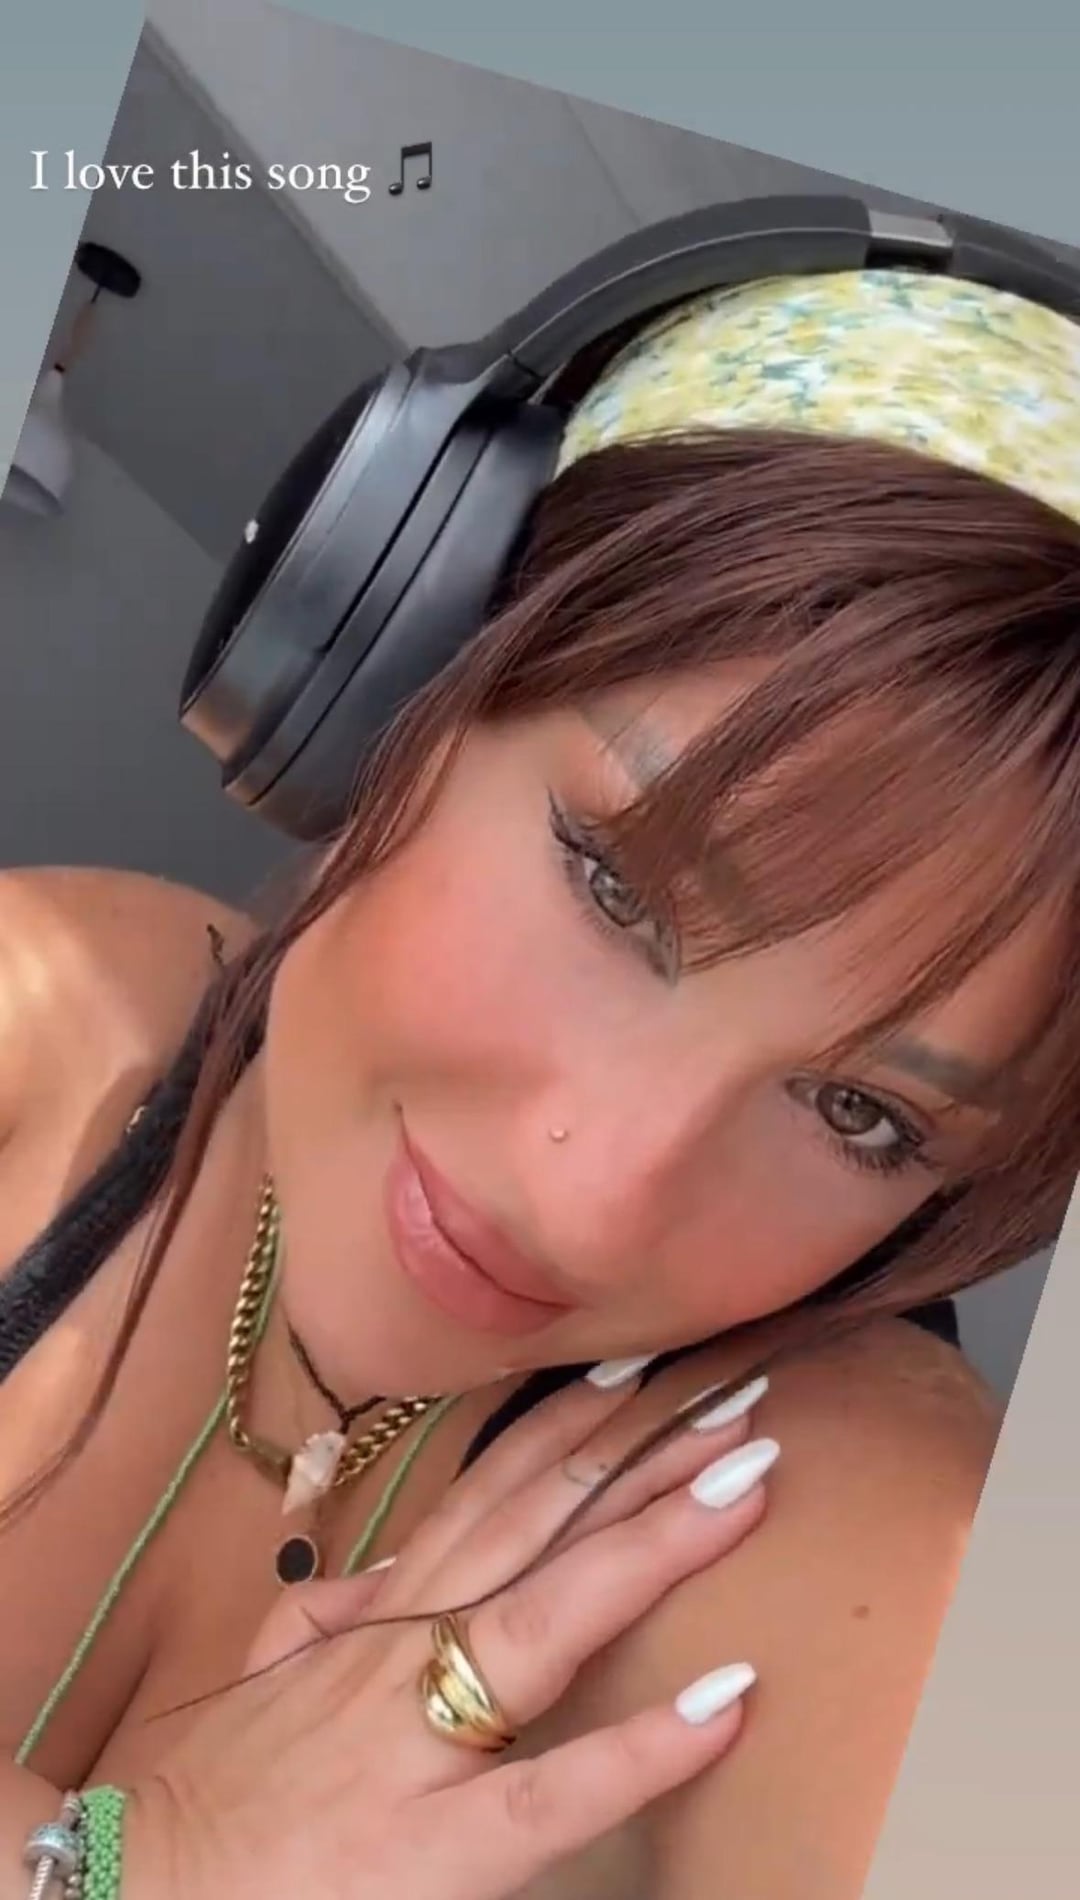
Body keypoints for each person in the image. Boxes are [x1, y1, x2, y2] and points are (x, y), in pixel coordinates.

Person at [3, 260, 1080, 1900]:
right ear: (400, 682)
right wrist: (127, 1871)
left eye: (863, 1116)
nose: (591, 1203)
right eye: (615, 887)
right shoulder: (45, 1009)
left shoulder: (817, 1498)